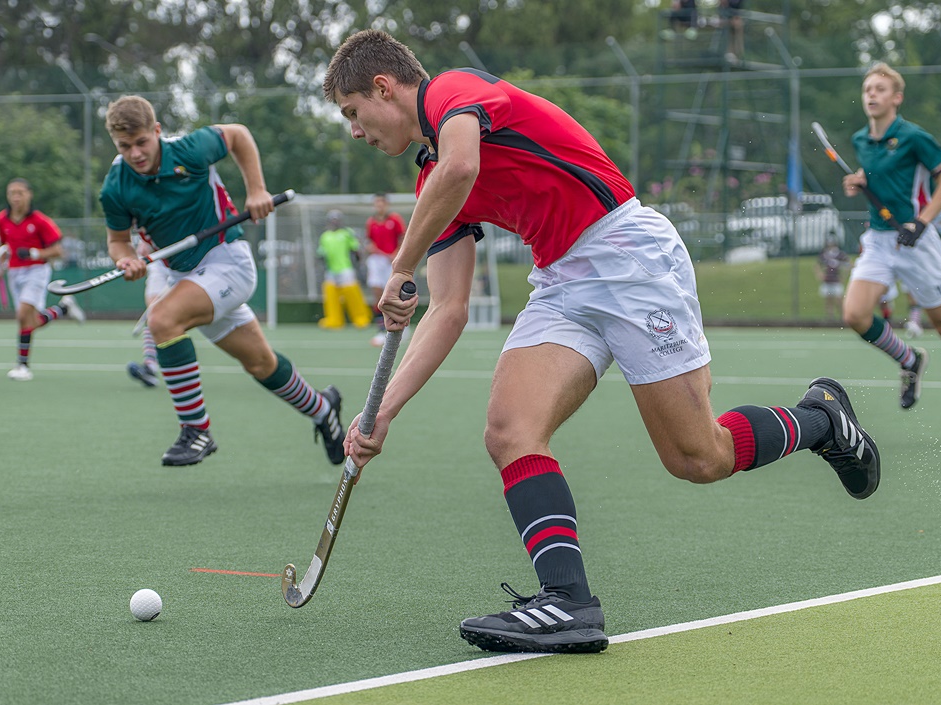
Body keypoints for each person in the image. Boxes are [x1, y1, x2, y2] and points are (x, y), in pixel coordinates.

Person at [324, 29, 880, 655]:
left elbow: (462, 164)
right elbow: (448, 309)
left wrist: (402, 262)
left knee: (698, 458)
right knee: (510, 431)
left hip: (626, 255)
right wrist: (383, 414)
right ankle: (567, 602)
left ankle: (820, 420)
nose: (355, 131)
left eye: (352, 113)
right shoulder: (434, 191)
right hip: (562, 279)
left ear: (384, 86)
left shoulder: (454, 93)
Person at [99, 95, 347, 467]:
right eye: (124, 146)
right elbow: (118, 241)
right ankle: (322, 409)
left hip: (226, 262)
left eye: (141, 142)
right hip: (185, 274)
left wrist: (257, 189)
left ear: (157, 131)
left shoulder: (190, 149)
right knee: (261, 364)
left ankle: (196, 430)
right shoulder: (115, 187)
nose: (135, 153)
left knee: (163, 319)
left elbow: (239, 135)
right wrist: (126, 260)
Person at [841, 63, 941, 441]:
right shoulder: (863, 140)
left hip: (917, 242)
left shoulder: (913, 136)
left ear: (896, 98)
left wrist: (922, 222)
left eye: (880, 88)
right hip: (880, 241)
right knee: (855, 314)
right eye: (867, 89)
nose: (872, 94)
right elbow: (882, 179)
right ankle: (909, 360)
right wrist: (860, 181)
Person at [0, 178, 85, 381]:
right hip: (14, 273)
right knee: (30, 321)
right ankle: (63, 309)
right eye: (12, 193)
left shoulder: (40, 221)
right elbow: (4, 247)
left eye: (20, 193)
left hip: (36, 271)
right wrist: (1, 266)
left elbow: (58, 251)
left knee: (22, 315)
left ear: (29, 194)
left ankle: (22, 366)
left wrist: (35, 253)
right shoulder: (2, 219)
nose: (16, 197)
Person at [317, 209, 372, 330]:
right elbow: (321, 254)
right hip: (331, 271)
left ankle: (361, 318)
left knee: (352, 294)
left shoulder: (347, 233)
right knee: (331, 295)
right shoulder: (325, 236)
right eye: (332, 220)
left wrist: (359, 264)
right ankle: (334, 319)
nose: (335, 222)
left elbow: (356, 250)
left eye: (337, 220)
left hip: (346, 269)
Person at [364, 192, 407, 346]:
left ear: (386, 204)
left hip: (392, 261)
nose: (379, 206)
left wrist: (395, 254)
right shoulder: (371, 222)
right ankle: (382, 330)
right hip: (377, 261)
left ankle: (401, 325)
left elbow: (403, 238)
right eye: (376, 203)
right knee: (377, 294)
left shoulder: (395, 219)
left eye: (381, 203)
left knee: (394, 293)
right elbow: (369, 241)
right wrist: (372, 249)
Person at [127, 237, 169, 387]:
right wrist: (144, 244)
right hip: (159, 262)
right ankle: (150, 367)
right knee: (154, 314)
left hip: (190, 260)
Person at [815, 235, 850, 321]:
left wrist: (843, 276)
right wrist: (820, 274)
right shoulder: (824, 254)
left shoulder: (840, 254)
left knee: (839, 300)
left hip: (836, 280)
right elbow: (817, 265)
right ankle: (830, 318)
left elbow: (848, 264)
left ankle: (843, 317)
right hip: (827, 280)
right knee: (828, 300)